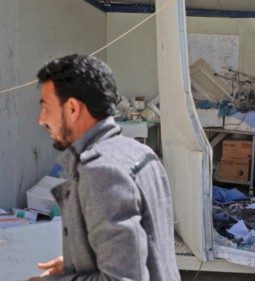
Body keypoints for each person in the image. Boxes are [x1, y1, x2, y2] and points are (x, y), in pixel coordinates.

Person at [30, 54, 180, 281]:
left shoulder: (101, 171)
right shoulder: (140, 152)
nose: (41, 120)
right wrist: (76, 261)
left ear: (72, 109)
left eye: (46, 108)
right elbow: (143, 253)